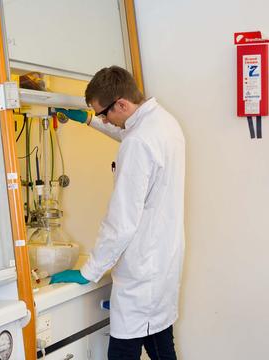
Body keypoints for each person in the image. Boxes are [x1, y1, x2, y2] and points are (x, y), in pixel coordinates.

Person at [49, 66, 185, 360]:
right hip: (161, 261)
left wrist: (89, 271)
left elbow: (121, 222)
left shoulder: (138, 141)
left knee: (124, 353)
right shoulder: (163, 123)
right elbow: (130, 134)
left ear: (121, 104)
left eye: (103, 114)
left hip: (142, 270)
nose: (103, 119)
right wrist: (89, 121)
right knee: (163, 348)